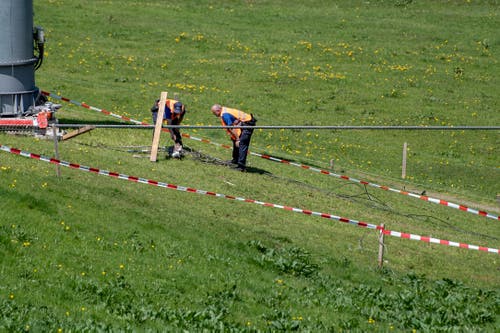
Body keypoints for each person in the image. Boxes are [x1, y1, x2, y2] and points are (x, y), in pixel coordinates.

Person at [210, 104, 257, 172]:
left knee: (242, 143)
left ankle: (241, 166)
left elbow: (232, 128)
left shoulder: (225, 115)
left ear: (218, 110)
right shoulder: (224, 110)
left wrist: (238, 139)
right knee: (235, 140)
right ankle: (235, 160)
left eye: (214, 113)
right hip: (243, 122)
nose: (214, 114)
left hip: (247, 124)